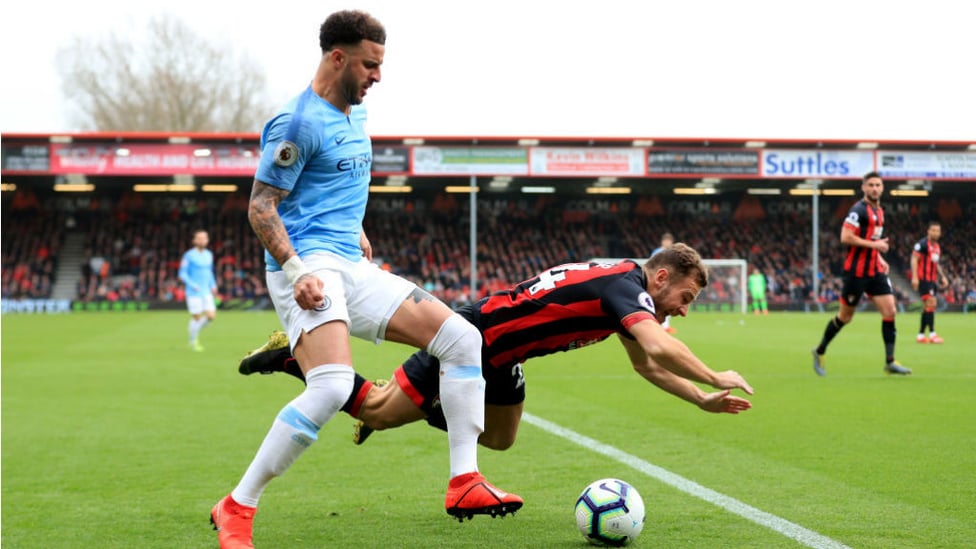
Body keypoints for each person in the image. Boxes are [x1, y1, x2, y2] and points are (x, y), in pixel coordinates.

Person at [210, 11, 521, 549]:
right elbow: (261, 208)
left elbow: (335, 189)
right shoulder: (296, 123)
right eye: (370, 64)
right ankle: (237, 505)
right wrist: (297, 270)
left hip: (348, 263)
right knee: (331, 386)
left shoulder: (357, 116)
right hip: (306, 267)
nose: (378, 76)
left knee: (462, 337)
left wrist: (354, 230)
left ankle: (464, 481)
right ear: (338, 57)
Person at [239, 244, 755, 453]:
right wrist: (715, 375)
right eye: (684, 298)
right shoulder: (627, 288)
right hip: (474, 336)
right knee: (377, 409)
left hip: (507, 356)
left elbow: (647, 365)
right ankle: (294, 357)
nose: (683, 309)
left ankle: (439, 403)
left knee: (502, 439)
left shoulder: (625, 285)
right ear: (661, 277)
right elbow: (658, 348)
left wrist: (700, 400)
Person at [811, 172, 911, 376]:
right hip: (855, 273)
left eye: (878, 185)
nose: (875, 188)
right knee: (845, 317)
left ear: (882, 188)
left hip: (874, 271)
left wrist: (879, 257)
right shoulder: (858, 210)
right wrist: (875, 245)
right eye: (871, 185)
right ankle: (819, 350)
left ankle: (890, 362)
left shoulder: (880, 211)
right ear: (864, 188)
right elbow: (845, 237)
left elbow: (872, 239)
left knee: (890, 311)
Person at [178, 229, 218, 351]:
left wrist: (213, 285)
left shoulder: (209, 255)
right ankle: (193, 341)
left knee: (211, 316)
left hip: (206, 291)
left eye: (205, 238)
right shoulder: (189, 255)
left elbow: (209, 272)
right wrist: (192, 284)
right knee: (196, 317)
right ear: (194, 241)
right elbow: (182, 274)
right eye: (200, 238)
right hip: (193, 292)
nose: (203, 240)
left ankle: (193, 331)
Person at [910, 220, 949, 344]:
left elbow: (935, 263)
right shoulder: (922, 244)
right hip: (924, 279)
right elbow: (914, 259)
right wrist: (915, 277)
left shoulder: (936, 247)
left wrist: (942, 276)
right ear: (928, 231)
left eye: (938, 231)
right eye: (933, 230)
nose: (936, 233)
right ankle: (932, 334)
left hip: (932, 279)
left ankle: (921, 335)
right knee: (931, 303)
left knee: (929, 306)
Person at [651, 232, 677, 333]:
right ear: (663, 241)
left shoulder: (672, 253)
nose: (667, 243)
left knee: (669, 301)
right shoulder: (658, 252)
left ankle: (666, 326)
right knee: (659, 302)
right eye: (666, 241)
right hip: (660, 281)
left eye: (669, 241)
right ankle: (658, 324)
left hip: (669, 281)